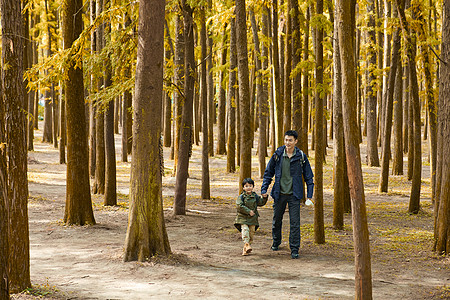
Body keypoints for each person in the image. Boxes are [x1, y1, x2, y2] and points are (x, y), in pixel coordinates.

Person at [261, 130, 314, 259]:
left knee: (295, 223)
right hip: (279, 193)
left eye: (290, 140)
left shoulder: (301, 156)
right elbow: (268, 172)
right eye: (286, 140)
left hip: (295, 195)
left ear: (295, 141)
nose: (287, 143)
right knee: (276, 220)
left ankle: (294, 249)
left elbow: (309, 177)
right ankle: (276, 242)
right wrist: (264, 189)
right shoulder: (278, 154)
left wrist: (309, 195)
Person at [234, 178, 268, 256]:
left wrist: (265, 197)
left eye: (250, 185)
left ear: (253, 186)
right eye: (246, 186)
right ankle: (246, 244)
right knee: (245, 230)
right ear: (243, 188)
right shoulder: (241, 197)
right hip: (243, 218)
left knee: (251, 233)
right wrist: (248, 211)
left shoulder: (255, 196)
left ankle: (246, 249)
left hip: (253, 219)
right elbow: (239, 206)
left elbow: (261, 203)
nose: (248, 187)